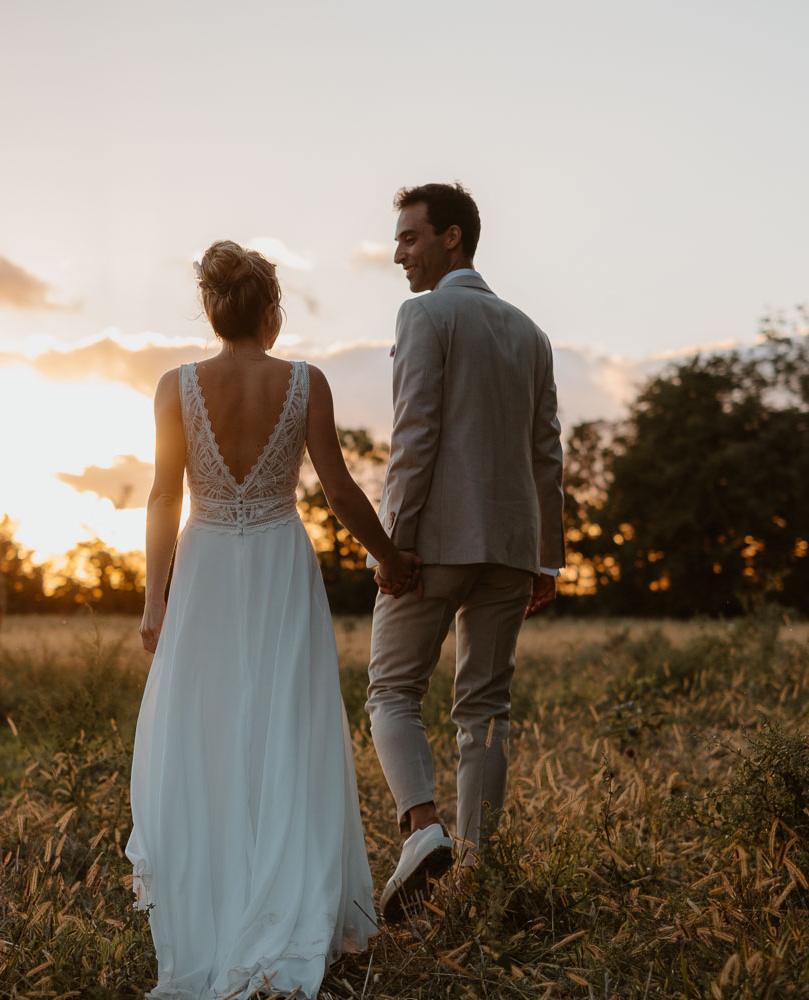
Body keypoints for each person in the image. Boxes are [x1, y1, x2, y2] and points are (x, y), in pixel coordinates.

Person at [127, 240, 420, 999]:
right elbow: (341, 490)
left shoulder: (175, 386)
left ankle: (221, 902)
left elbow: (164, 497)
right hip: (282, 568)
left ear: (212, 308)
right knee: (285, 728)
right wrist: (388, 555)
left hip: (208, 567)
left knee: (212, 731)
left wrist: (154, 601)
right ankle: (287, 906)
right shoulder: (305, 382)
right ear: (270, 309)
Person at [366, 182, 566, 923]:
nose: (398, 255)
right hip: (513, 550)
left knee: (391, 692)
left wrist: (394, 546)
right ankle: (478, 864)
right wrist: (548, 556)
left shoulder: (425, 314)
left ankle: (423, 832)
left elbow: (413, 438)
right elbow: (547, 453)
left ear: (453, 238)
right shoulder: (531, 333)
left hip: (434, 544)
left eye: (410, 239)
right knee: (485, 706)